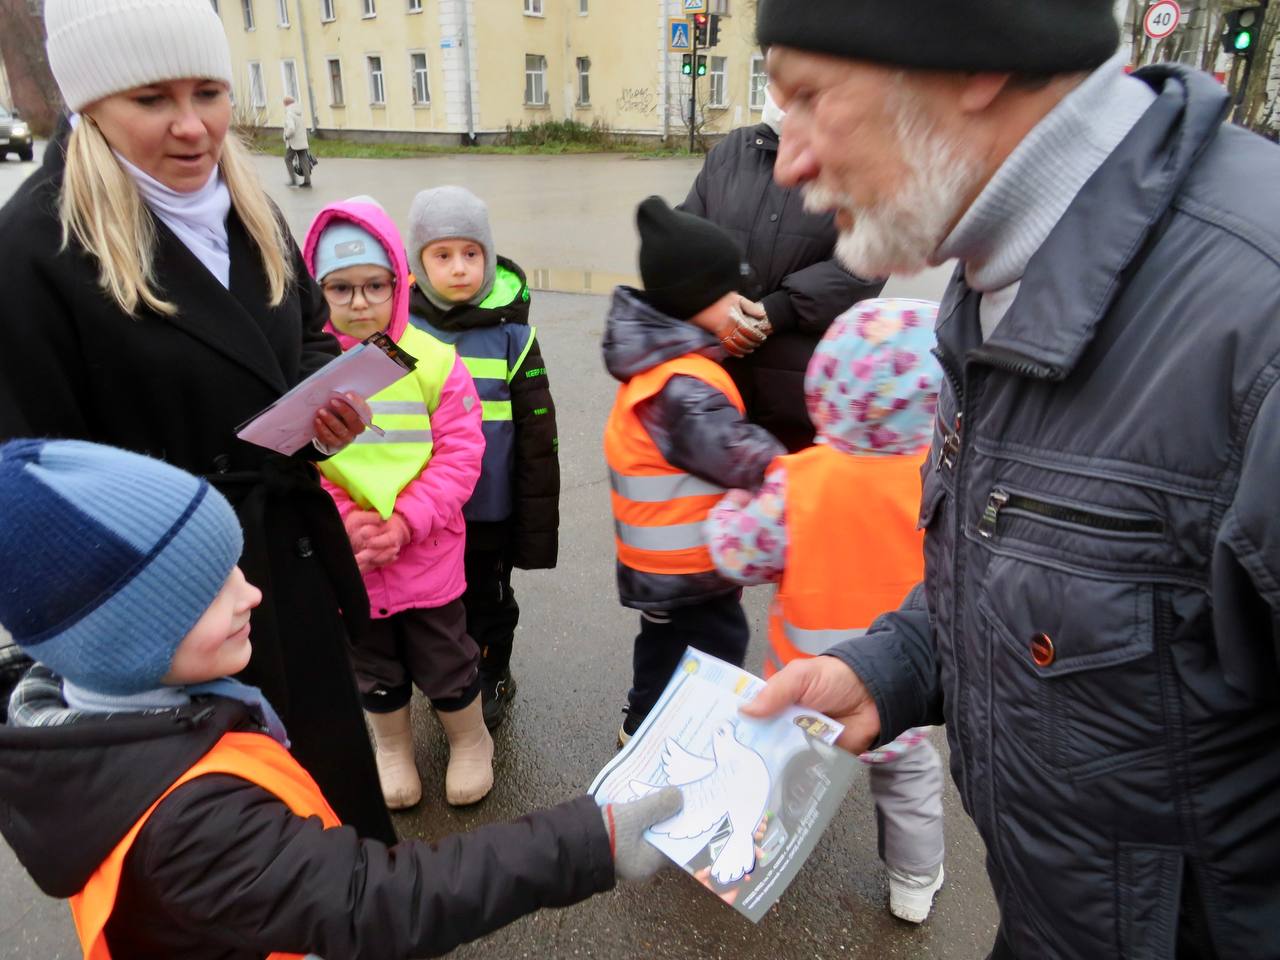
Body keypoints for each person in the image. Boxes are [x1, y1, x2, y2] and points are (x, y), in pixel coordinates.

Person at [745, 1, 1280, 956]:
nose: (788, 161)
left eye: (808, 98)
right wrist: (890, 670)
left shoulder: (1258, 317)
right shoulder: (992, 278)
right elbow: (1041, 581)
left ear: (971, 57)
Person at [0, 438, 681, 960]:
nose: (251, 594)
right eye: (210, 592)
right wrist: (591, 840)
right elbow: (371, 902)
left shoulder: (104, 715)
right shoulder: (189, 820)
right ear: (126, 638)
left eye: (235, 568)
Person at [0, 0, 396, 844]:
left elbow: (307, 338)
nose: (193, 128)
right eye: (152, 100)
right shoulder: (33, 247)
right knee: (232, 848)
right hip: (164, 622)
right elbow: (29, 484)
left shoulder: (245, 205)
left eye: (210, 92)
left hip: (280, 568)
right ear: (90, 104)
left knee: (328, 811)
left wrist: (325, 405)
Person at [707, 299, 946, 923]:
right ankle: (915, 882)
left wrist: (731, 505)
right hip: (903, 687)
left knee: (781, 773)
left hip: (804, 686)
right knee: (910, 786)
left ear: (827, 383)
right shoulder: (938, 481)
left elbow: (738, 552)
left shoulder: (799, 478)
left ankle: (759, 853)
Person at [305, 197, 495, 809]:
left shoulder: (435, 362)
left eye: (373, 285)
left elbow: (461, 457)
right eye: (340, 288)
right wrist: (344, 523)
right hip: (354, 560)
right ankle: (391, 747)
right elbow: (298, 462)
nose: (359, 302)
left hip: (427, 554)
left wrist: (407, 521)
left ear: (398, 282)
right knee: (375, 667)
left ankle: (470, 742)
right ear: (318, 291)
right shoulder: (307, 371)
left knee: (447, 658)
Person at [604, 197, 784, 746]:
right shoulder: (682, 386)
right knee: (717, 650)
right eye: (731, 293)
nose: (742, 303)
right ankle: (698, 739)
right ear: (695, 299)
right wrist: (796, 466)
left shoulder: (662, 367)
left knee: (661, 644)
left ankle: (639, 726)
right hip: (687, 567)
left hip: (657, 564)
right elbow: (734, 451)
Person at [407, 186, 559, 730]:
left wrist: (533, 513)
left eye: (471, 254)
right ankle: (450, 673)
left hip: (489, 508)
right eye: (442, 255)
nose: (459, 269)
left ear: (489, 256)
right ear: (418, 261)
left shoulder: (513, 334)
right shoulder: (401, 331)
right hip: (427, 508)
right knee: (436, 600)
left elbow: (538, 432)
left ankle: (493, 670)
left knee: (489, 599)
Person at [680, 82, 884, 452]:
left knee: (796, 502)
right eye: (779, 81)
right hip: (718, 390)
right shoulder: (730, 153)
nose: (788, 96)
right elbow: (683, 239)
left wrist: (778, 310)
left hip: (804, 398)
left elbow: (867, 258)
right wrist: (712, 304)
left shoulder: (856, 162)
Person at [282, 95, 311, 187]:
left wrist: (286, 136)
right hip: (302, 140)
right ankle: (307, 180)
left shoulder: (289, 113)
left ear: (286, 104)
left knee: (287, 159)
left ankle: (293, 180)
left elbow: (291, 128)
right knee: (303, 159)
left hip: (294, 141)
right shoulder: (299, 112)